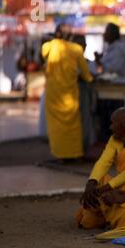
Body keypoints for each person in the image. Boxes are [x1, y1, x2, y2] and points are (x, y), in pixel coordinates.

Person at [75, 107, 125, 229]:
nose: (110, 127)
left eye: (114, 123)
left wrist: (107, 188)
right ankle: (108, 212)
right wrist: (91, 182)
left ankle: (110, 214)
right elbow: (103, 162)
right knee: (98, 183)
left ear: (124, 127)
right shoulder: (115, 139)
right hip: (118, 187)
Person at [41, 24, 93, 161]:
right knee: (73, 126)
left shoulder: (49, 46)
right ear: (70, 35)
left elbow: (43, 51)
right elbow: (86, 75)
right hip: (70, 95)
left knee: (56, 126)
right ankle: (75, 154)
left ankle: (60, 155)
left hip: (53, 95)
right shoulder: (76, 49)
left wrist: (54, 39)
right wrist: (90, 78)